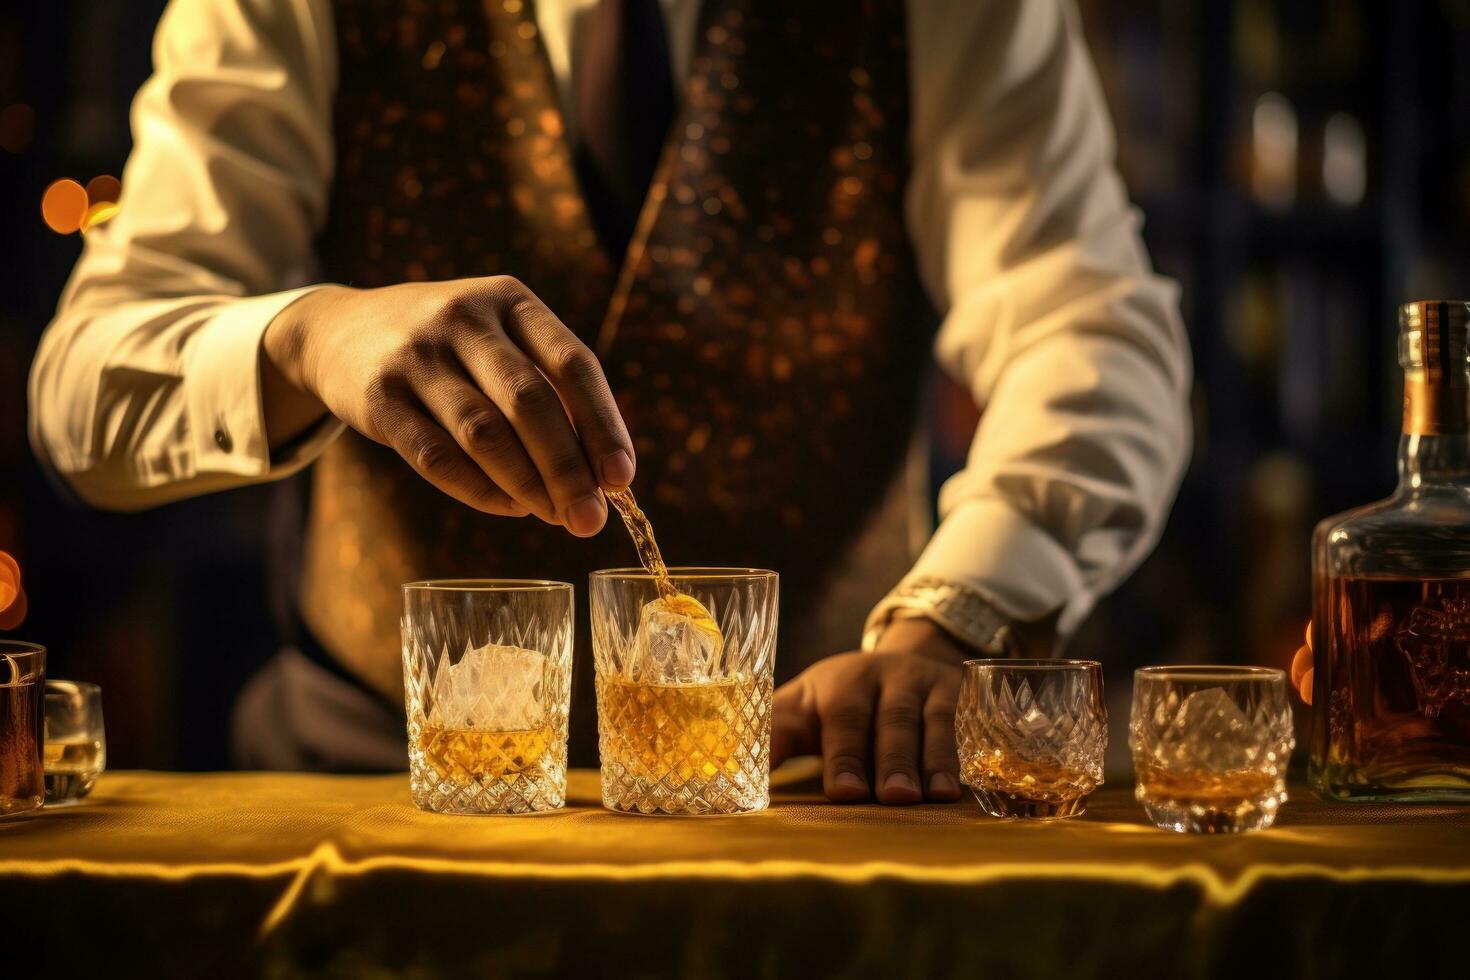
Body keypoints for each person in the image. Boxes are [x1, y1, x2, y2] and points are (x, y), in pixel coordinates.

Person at [29, 0, 1190, 803]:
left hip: (806, 801)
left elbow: (1090, 326)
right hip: (375, 800)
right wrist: (309, 335)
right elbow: (79, 392)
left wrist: (955, 619)